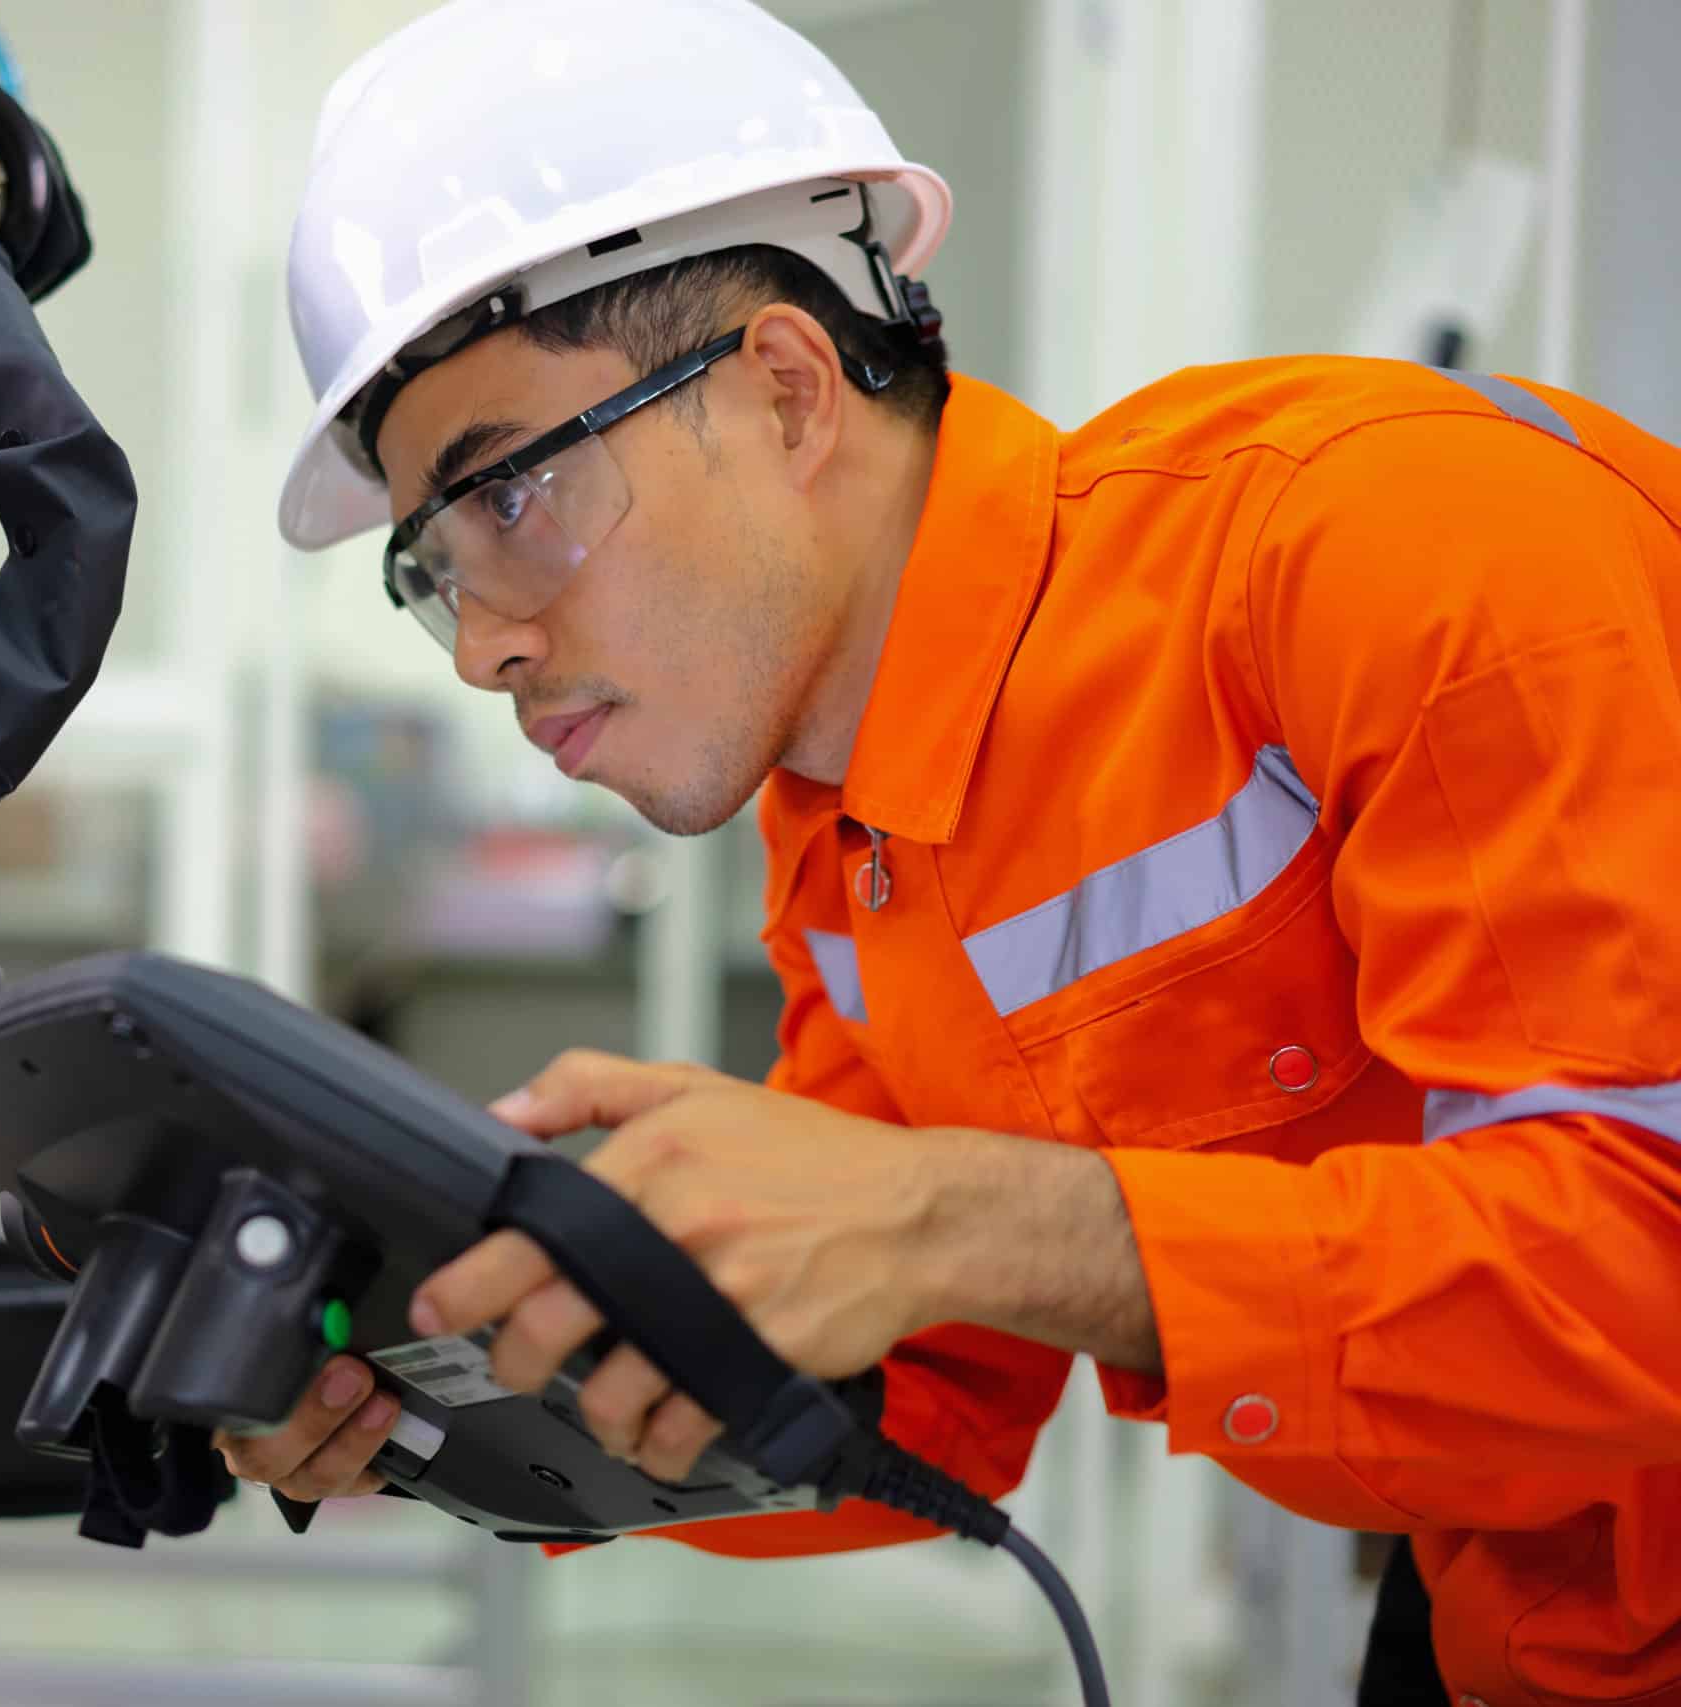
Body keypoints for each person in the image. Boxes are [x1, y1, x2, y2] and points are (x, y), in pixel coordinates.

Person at [219, 1, 1681, 1702]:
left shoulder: (1389, 544)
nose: (481, 648)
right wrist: (454, 1389)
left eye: (512, 503)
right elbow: (920, 1400)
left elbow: (1641, 1262)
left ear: (783, 388)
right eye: (434, 569)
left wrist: (963, 1217)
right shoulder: (848, 839)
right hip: (1526, 1619)